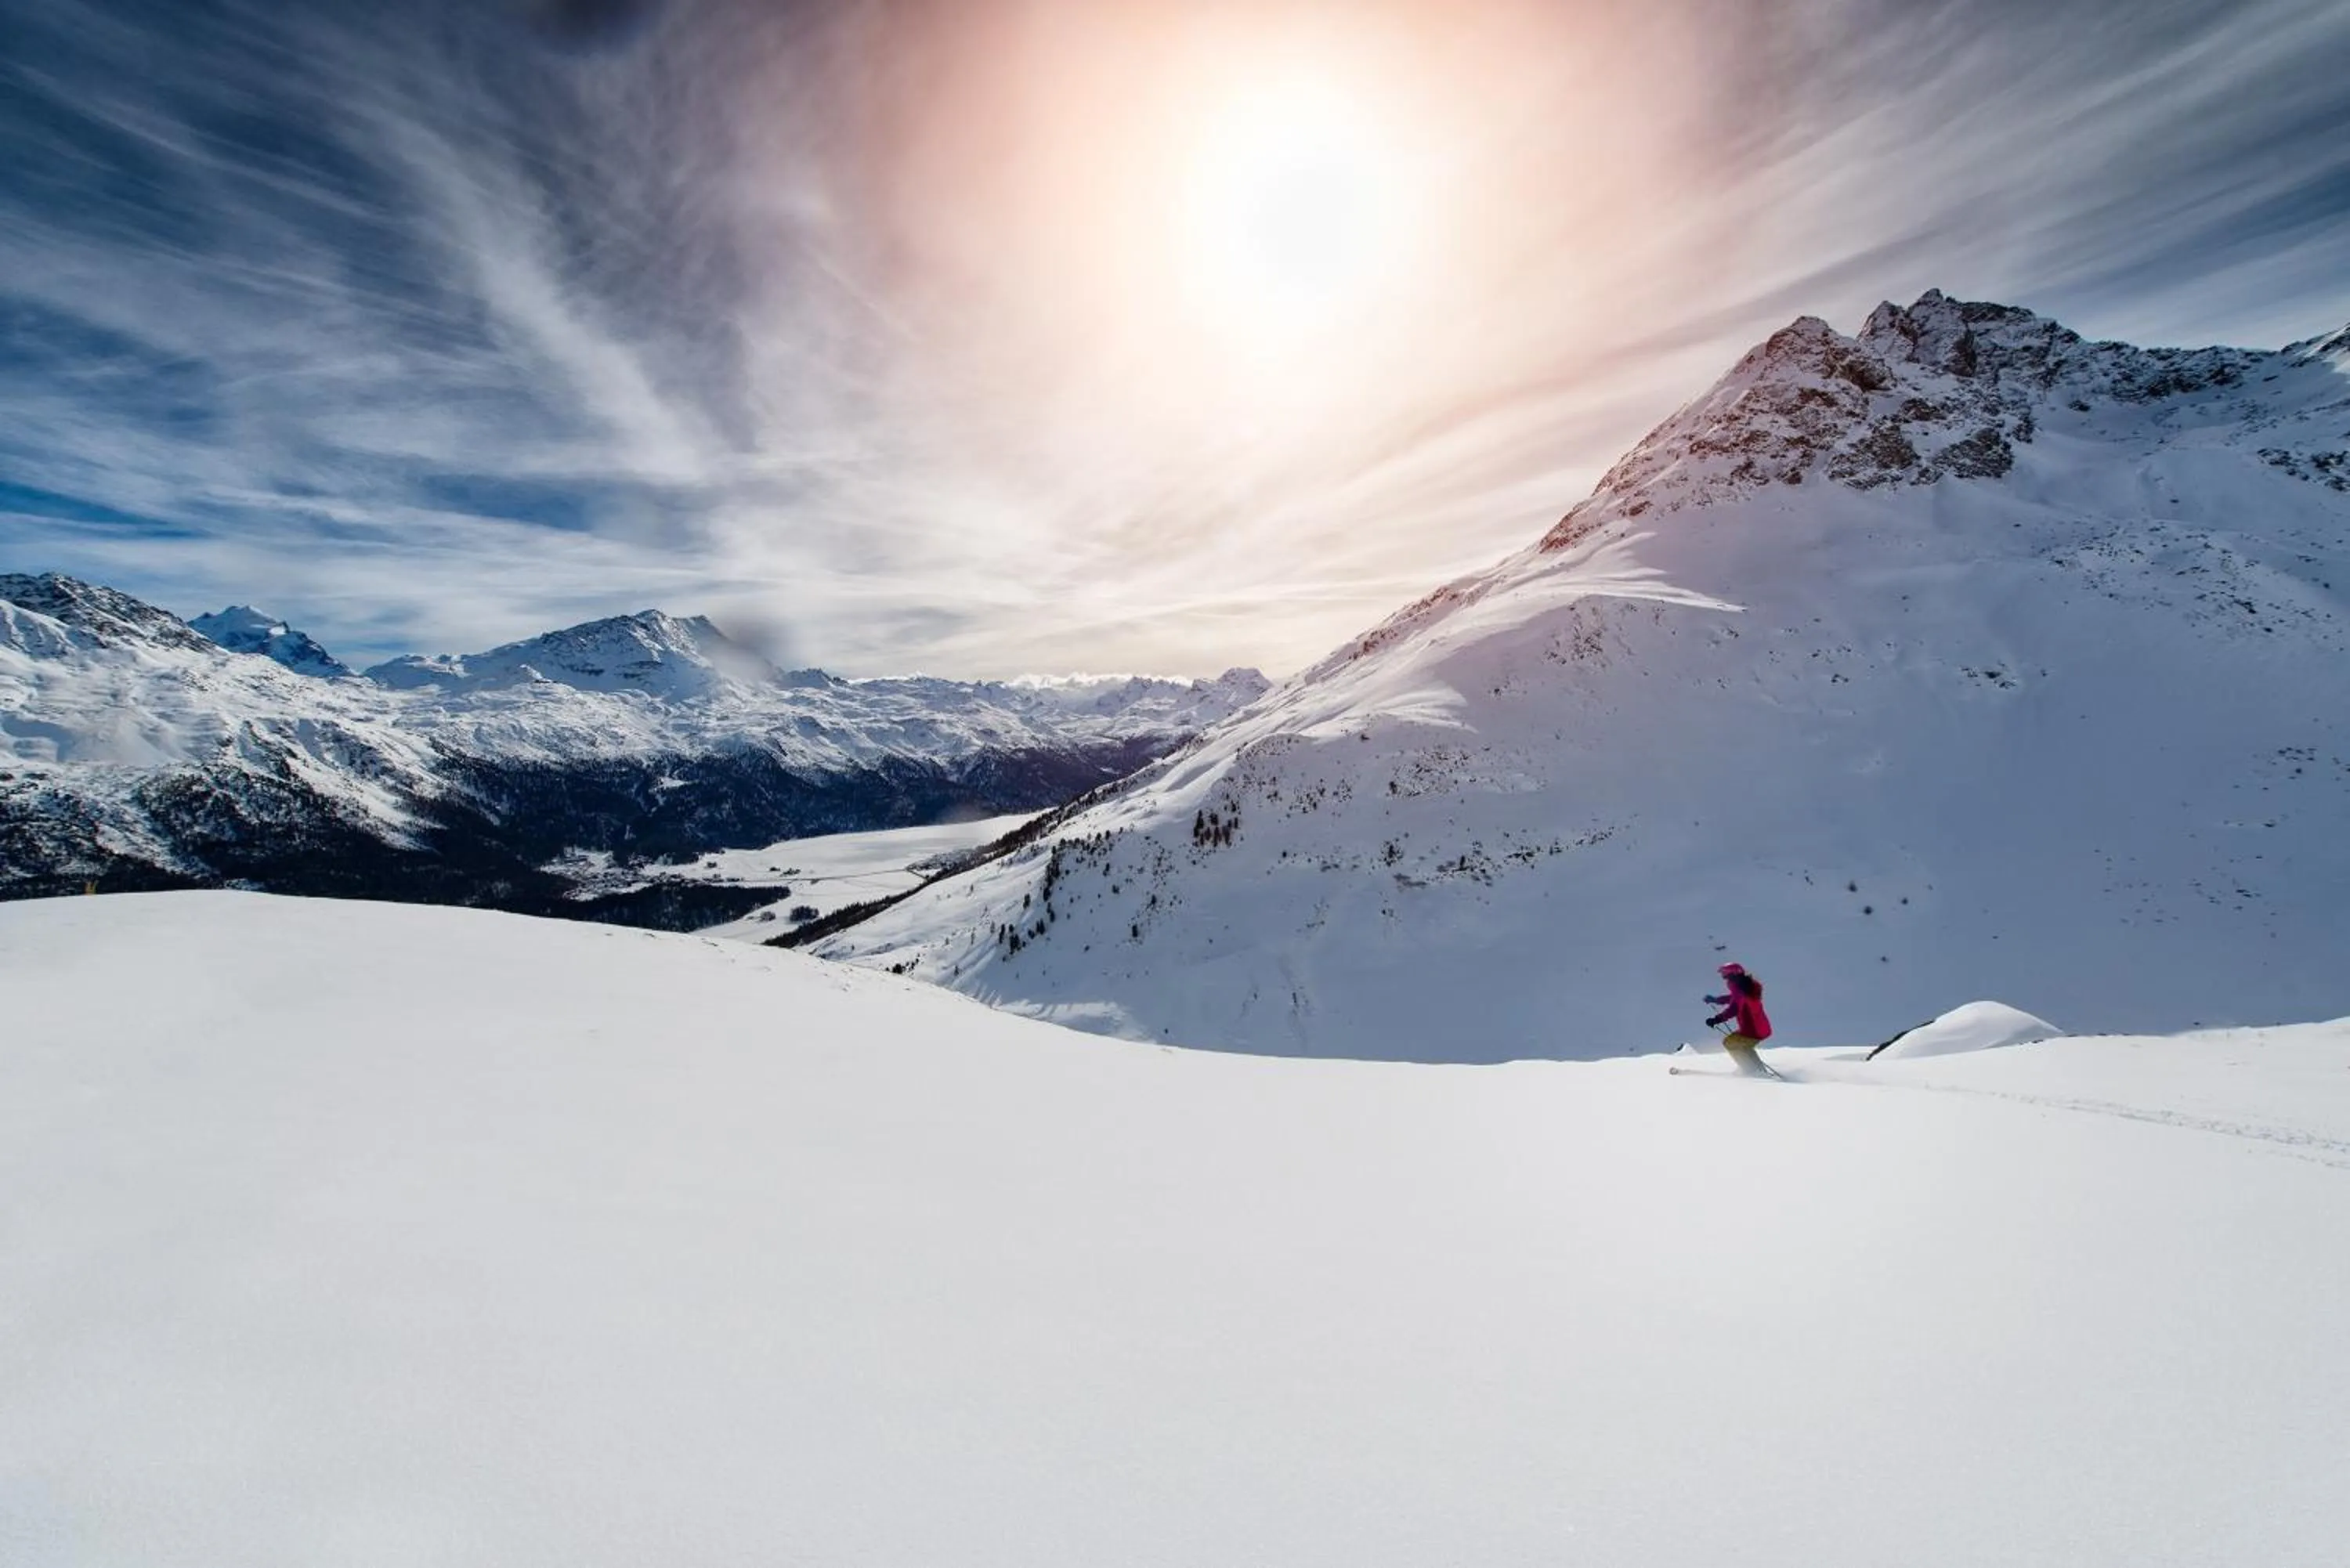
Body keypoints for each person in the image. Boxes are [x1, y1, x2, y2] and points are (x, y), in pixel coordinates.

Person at [1705, 962, 1776, 1077]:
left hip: (1753, 1030)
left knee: (1730, 1043)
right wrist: (1716, 1000)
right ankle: (1758, 1071)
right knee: (1744, 1047)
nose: (1724, 978)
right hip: (1760, 1028)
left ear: (1732, 975)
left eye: (1725, 975)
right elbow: (1734, 999)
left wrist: (1716, 1019)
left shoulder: (1740, 990)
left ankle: (1750, 1071)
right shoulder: (1745, 987)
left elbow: (1734, 1009)